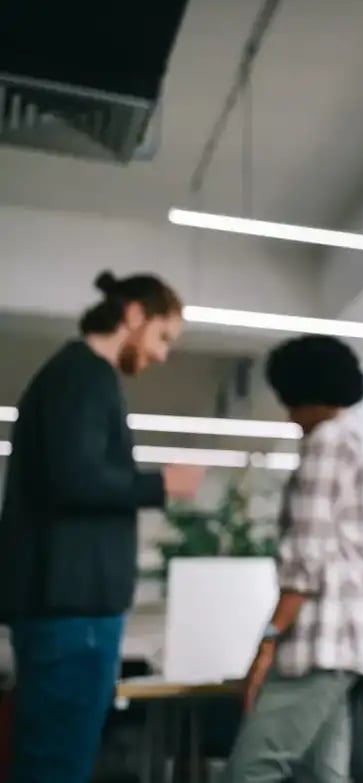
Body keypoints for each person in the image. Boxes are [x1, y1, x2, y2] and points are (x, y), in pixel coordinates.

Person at [0, 270, 205, 781]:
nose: (162, 355)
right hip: (74, 612)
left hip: (66, 609)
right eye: (162, 337)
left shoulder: (73, 376)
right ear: (133, 315)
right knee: (58, 763)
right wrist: (162, 485)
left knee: (52, 757)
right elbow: (76, 478)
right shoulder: (85, 375)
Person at [221, 335, 363, 783]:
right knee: (324, 775)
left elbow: (305, 556)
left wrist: (268, 641)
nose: (290, 415)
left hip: (322, 638)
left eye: (291, 401)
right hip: (351, 641)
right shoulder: (359, 440)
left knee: (250, 771)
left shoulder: (327, 442)